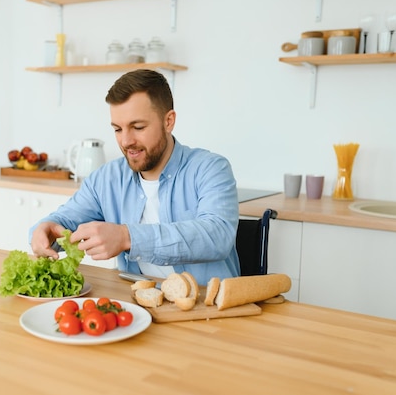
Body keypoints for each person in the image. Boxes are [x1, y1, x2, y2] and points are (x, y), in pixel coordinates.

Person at [29, 69, 240, 285]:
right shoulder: (106, 179)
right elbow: (64, 221)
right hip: (140, 303)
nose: (126, 141)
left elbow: (217, 236)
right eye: (118, 129)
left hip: (208, 307)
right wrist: (46, 230)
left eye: (138, 127)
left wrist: (126, 237)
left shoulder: (210, 168)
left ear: (168, 121)